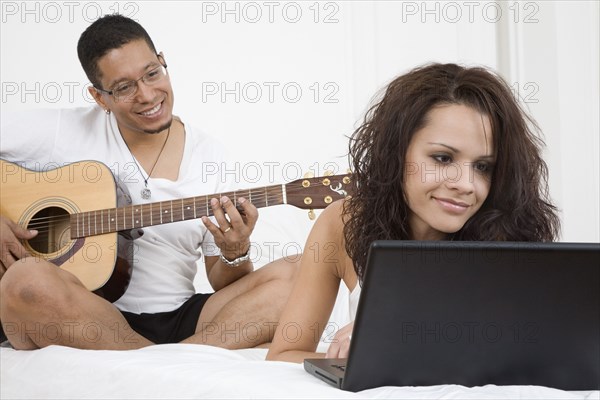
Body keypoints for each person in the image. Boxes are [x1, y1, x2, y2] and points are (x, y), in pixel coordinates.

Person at [0, 14, 297, 350]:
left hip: (184, 318)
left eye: (152, 73)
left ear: (162, 62)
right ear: (100, 98)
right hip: (82, 311)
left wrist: (234, 250)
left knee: (300, 274)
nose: (147, 94)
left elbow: (224, 283)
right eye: (125, 87)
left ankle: (166, 361)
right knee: (24, 280)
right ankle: (169, 365)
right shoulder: (61, 131)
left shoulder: (212, 155)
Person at [266, 62, 561, 363]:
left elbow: (519, 357)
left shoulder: (504, 240)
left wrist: (391, 335)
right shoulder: (343, 222)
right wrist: (355, 358)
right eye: (443, 158)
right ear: (396, 152)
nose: (466, 185)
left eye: (483, 167)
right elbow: (284, 354)